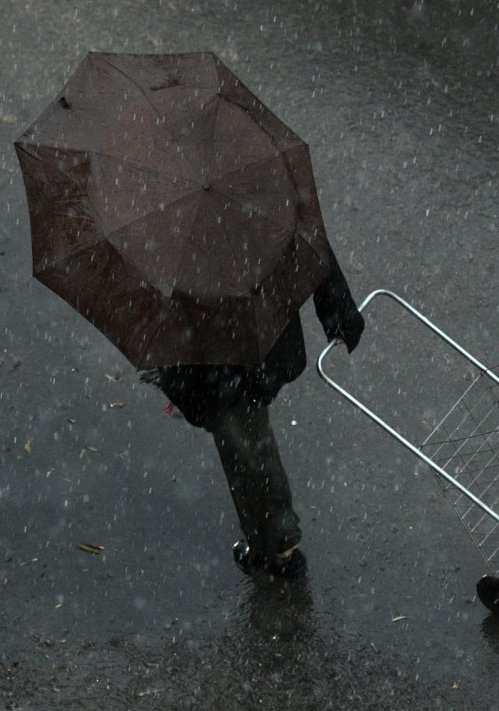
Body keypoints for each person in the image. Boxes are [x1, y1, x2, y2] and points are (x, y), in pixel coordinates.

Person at [143, 247, 364, 580]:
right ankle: (277, 542)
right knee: (250, 435)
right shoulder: (266, 199)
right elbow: (310, 241)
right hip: (266, 334)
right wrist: (339, 311)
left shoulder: (182, 230)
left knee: (243, 444)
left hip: (220, 354)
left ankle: (278, 547)